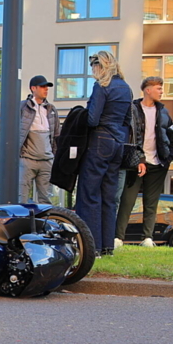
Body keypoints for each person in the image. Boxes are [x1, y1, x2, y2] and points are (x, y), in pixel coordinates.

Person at [75, 51, 133, 256]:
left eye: (93, 67)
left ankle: (92, 247)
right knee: (109, 197)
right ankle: (107, 246)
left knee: (89, 194)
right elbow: (128, 120)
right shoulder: (126, 88)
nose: (92, 72)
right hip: (118, 143)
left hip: (100, 140)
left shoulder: (102, 86)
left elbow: (92, 119)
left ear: (100, 66)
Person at [114, 76, 173, 248]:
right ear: (147, 90)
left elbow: (169, 135)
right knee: (127, 201)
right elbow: (130, 136)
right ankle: (118, 237)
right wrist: (139, 158)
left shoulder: (163, 111)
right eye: (158, 88)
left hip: (158, 164)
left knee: (151, 202)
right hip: (135, 163)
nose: (162, 91)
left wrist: (168, 157)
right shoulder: (132, 109)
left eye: (162, 88)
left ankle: (147, 238)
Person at [19, 75, 61, 204]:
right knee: (21, 197)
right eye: (42, 86)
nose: (46, 89)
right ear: (33, 88)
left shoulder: (51, 109)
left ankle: (45, 224)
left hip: (47, 161)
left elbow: (56, 136)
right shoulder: (22, 107)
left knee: (46, 200)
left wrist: (54, 156)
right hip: (27, 159)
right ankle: (21, 223)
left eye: (47, 87)